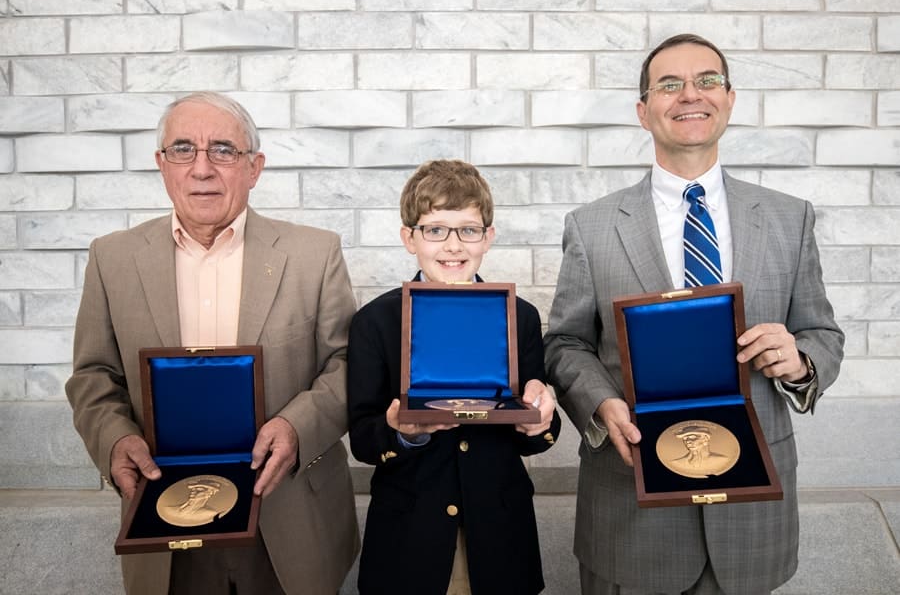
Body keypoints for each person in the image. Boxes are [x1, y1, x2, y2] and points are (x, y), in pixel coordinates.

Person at [543, 34, 844, 595]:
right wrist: (598, 401)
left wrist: (800, 359)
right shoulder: (591, 226)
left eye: (707, 81)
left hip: (753, 518)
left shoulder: (789, 219)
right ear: (643, 110)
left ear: (729, 99)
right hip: (631, 511)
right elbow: (564, 343)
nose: (691, 95)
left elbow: (823, 333)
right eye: (670, 84)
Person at [65, 92, 359, 595]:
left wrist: (297, 426)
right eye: (183, 149)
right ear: (162, 165)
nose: (201, 168)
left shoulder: (315, 253)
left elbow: (347, 363)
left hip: (287, 519)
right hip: (163, 525)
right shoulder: (111, 259)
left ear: (254, 167)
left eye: (223, 149)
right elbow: (93, 376)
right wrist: (115, 440)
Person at [347, 159, 561, 595]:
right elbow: (363, 439)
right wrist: (403, 433)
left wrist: (540, 420)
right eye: (435, 229)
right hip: (410, 536)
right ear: (410, 238)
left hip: (499, 533)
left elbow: (536, 431)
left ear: (489, 237)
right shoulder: (375, 321)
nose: (453, 245)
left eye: (468, 229)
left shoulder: (520, 317)